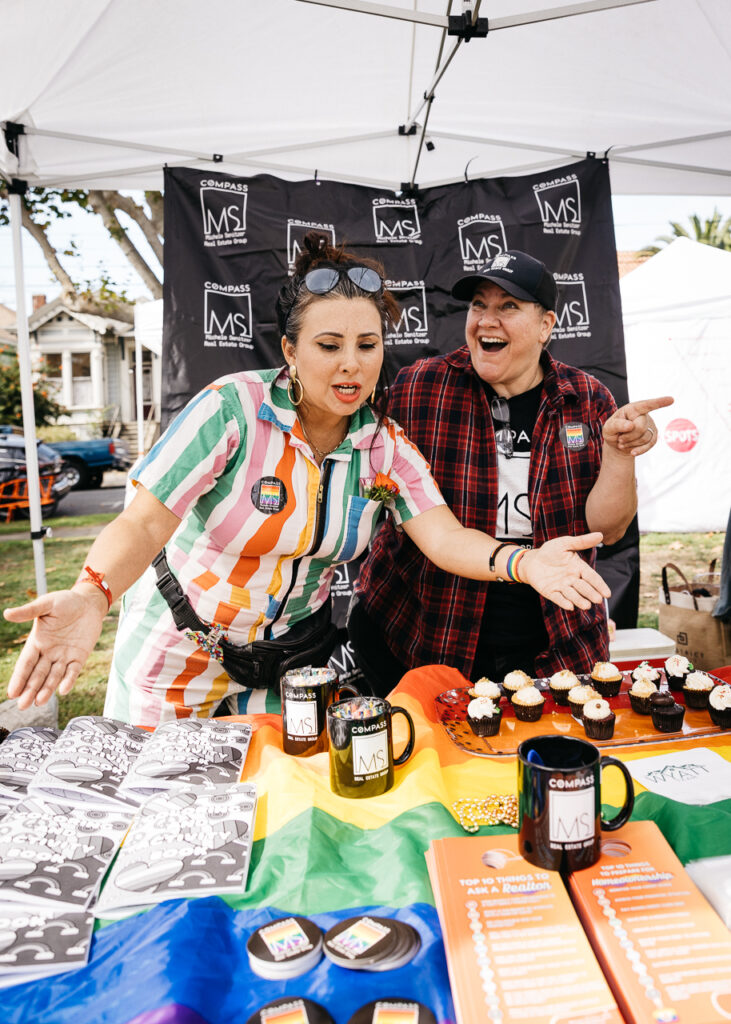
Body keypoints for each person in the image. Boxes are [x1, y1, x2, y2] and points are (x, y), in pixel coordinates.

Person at [4, 237, 612, 727]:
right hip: (178, 646)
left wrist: (526, 564)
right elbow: (141, 521)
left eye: (367, 344)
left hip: (293, 661)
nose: (352, 363)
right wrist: (91, 593)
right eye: (329, 345)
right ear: (291, 351)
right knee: (154, 800)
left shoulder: (385, 447)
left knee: (284, 803)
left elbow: (448, 539)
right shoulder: (231, 410)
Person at [351, 249, 673, 694]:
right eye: (479, 304)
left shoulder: (586, 398)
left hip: (552, 641)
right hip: (425, 633)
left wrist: (620, 454)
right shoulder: (419, 387)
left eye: (508, 306)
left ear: (546, 325)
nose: (486, 319)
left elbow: (608, 530)